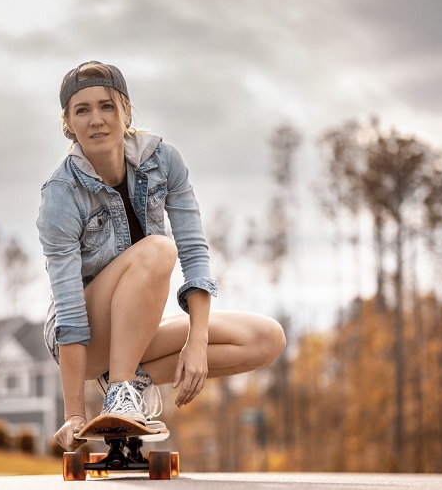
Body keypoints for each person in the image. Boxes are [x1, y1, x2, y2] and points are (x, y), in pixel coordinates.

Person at [37, 61, 286, 452]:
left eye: (106, 106)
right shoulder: (60, 193)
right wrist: (74, 413)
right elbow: (69, 310)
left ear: (127, 112)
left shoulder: (163, 161)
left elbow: (194, 251)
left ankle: (132, 382)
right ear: (68, 123)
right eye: (81, 110)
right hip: (85, 340)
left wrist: (197, 344)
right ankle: (118, 389)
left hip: (136, 329)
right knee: (157, 250)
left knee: (265, 339)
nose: (96, 120)